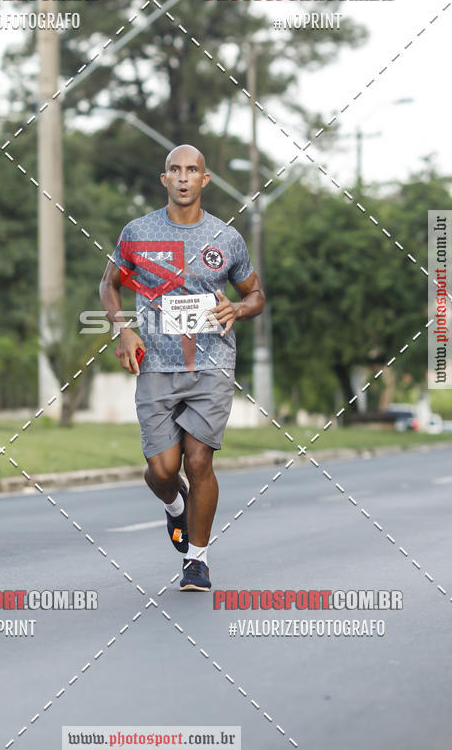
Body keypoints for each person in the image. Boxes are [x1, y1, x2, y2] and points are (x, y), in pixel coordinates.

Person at [99, 145, 265, 591]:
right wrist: (122, 329)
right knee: (162, 469)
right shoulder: (137, 231)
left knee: (198, 460)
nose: (185, 177)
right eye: (176, 170)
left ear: (205, 180)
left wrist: (239, 310)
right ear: (164, 179)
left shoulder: (225, 238)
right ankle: (175, 505)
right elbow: (109, 284)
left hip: (212, 363)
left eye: (193, 170)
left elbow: (256, 296)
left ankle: (197, 560)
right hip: (154, 364)